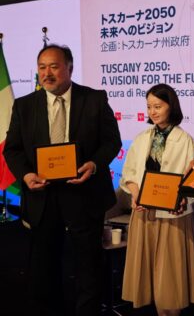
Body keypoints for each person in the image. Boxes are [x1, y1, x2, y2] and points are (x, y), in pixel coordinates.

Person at [4, 44, 122, 316]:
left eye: (54, 67)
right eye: (42, 67)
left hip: (84, 193)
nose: (47, 73)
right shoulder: (24, 106)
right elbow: (12, 149)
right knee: (44, 268)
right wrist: (26, 174)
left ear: (69, 68)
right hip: (42, 197)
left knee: (88, 266)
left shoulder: (94, 99)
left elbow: (111, 141)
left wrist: (94, 164)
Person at [119, 83, 194, 316]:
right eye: (149, 107)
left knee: (171, 283)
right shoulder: (141, 138)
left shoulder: (186, 140)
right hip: (143, 215)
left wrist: (183, 199)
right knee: (145, 280)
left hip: (172, 217)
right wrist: (135, 194)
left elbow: (193, 182)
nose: (153, 112)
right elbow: (128, 175)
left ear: (171, 106)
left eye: (158, 106)